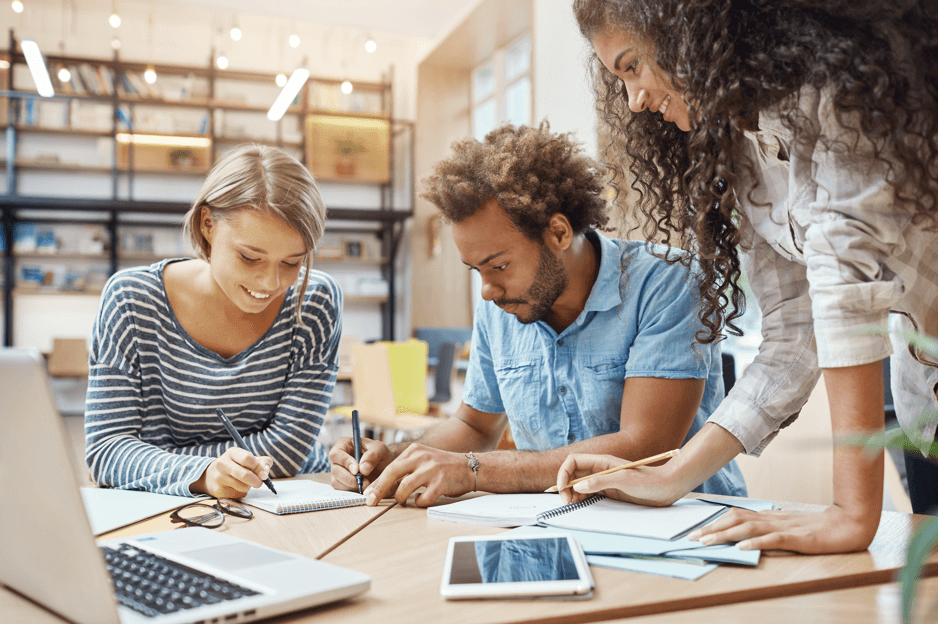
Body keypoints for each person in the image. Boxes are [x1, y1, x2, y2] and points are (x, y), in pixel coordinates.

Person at [559, 0, 938, 554]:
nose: (634, 100)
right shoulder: (740, 145)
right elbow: (793, 332)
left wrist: (853, 511)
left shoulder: (834, 90)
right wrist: (672, 475)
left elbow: (843, 287)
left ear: (686, 32)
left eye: (633, 66)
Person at [329, 123, 746, 506]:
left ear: (559, 232)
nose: (487, 291)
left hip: (685, 524)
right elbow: (475, 427)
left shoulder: (668, 282)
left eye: (499, 266)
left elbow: (645, 449)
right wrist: (398, 459)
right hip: (558, 521)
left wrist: (474, 471)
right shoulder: (500, 306)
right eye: (477, 271)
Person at [85, 144, 342, 499]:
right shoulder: (132, 301)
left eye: (292, 263)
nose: (270, 283)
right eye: (250, 258)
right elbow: (106, 450)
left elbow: (287, 450)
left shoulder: (314, 302)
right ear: (208, 224)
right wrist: (203, 474)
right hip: (170, 509)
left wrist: (158, 462)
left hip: (288, 497)